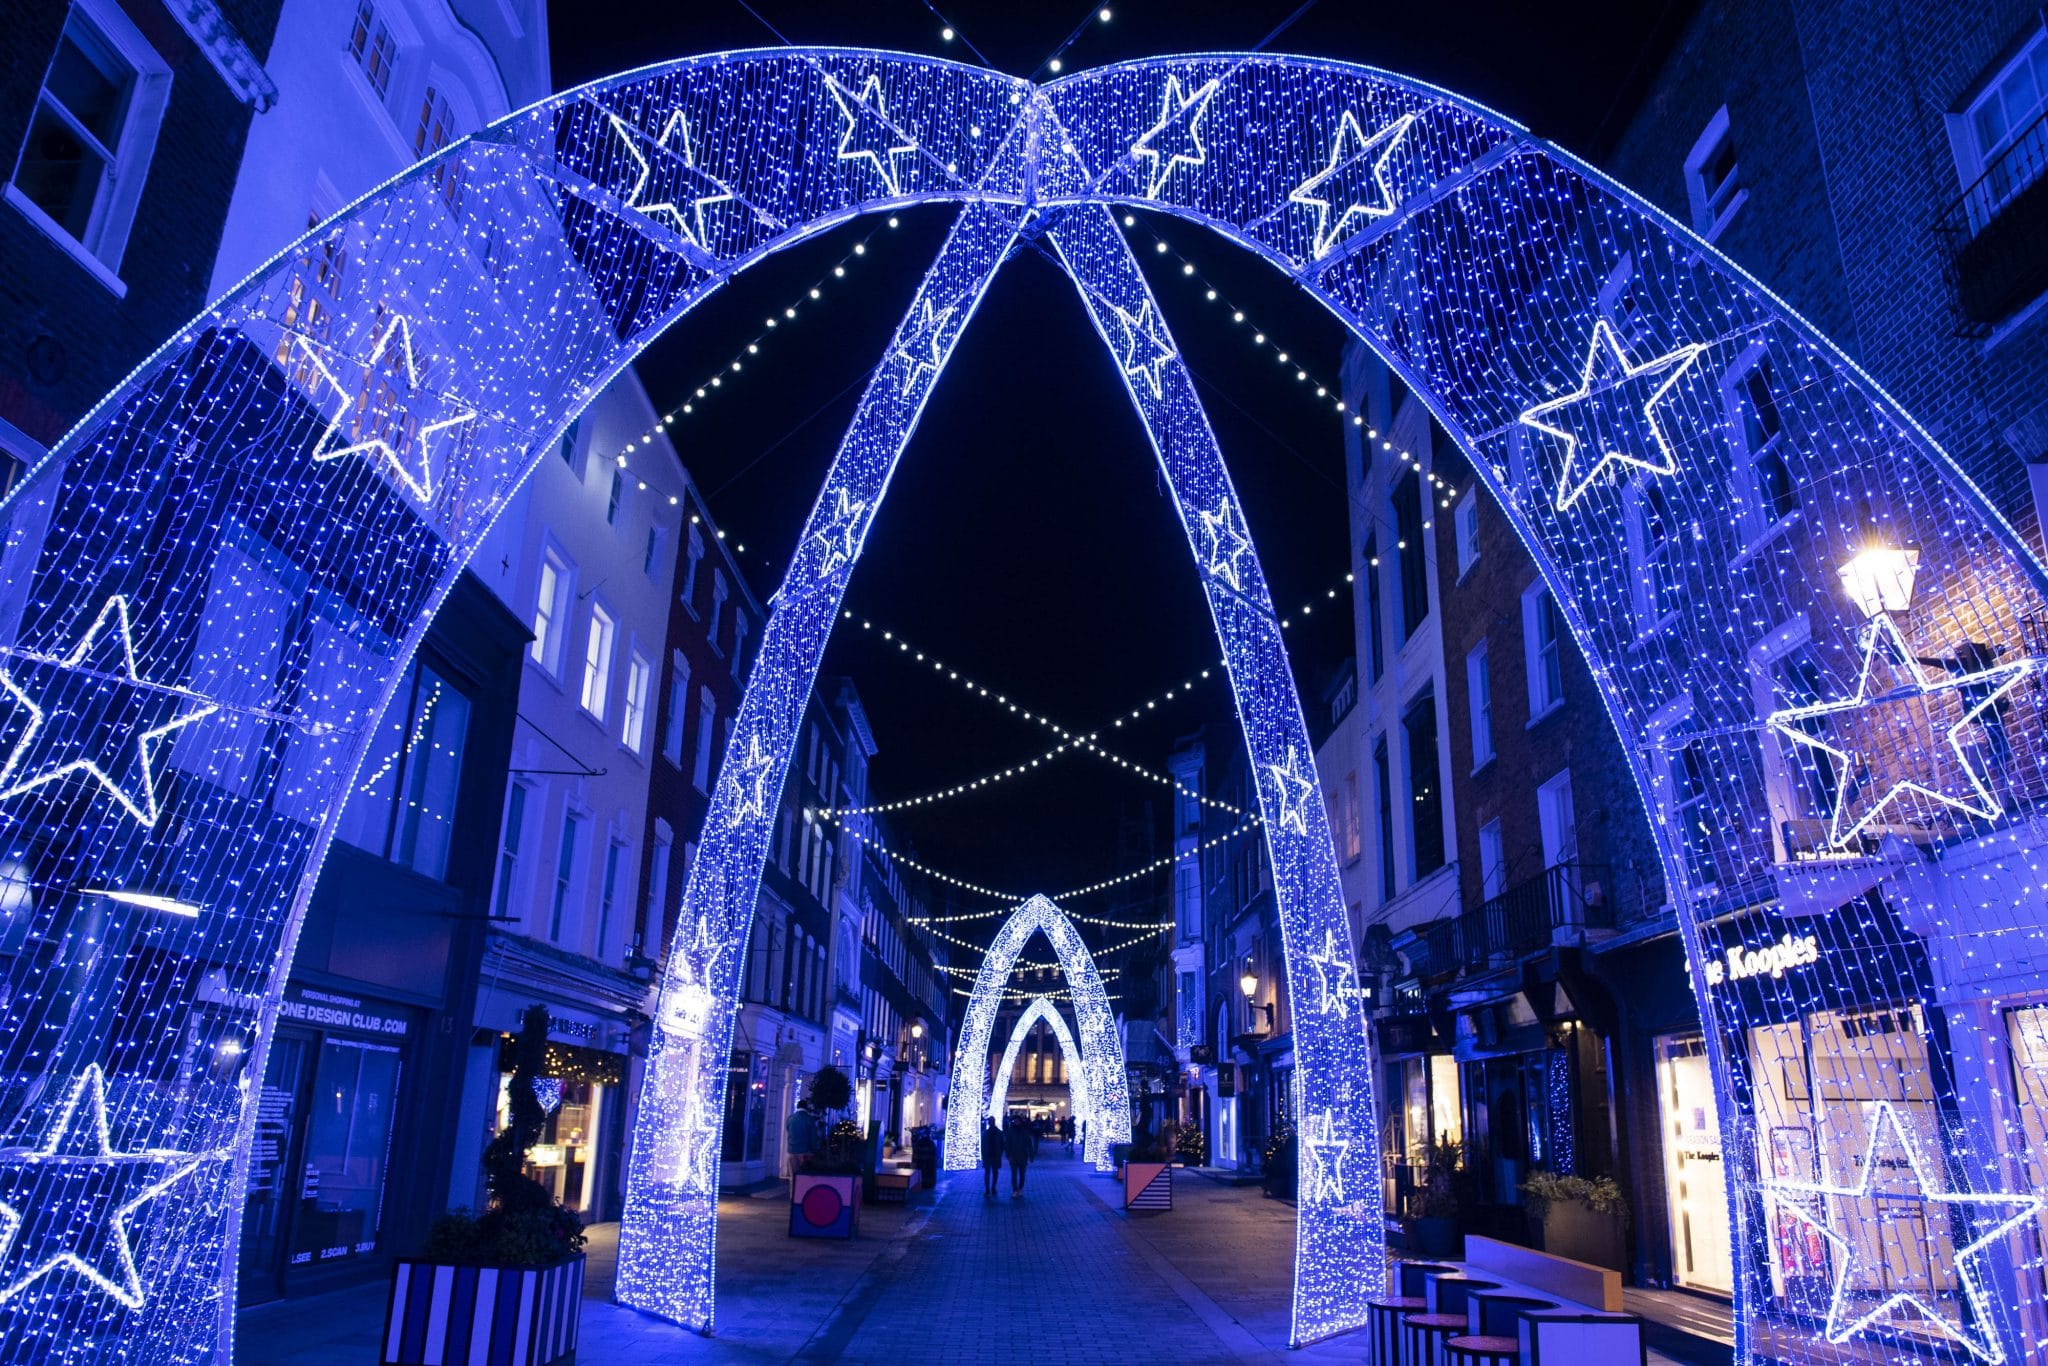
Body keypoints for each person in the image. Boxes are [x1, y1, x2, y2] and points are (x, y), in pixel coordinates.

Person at [785, 1102, 819, 1178]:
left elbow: (788, 1129)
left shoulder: (790, 1118)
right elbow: (813, 1137)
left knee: (793, 1176)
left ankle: (792, 1189)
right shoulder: (809, 1119)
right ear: (806, 1108)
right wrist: (814, 1150)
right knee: (804, 1176)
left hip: (791, 1150)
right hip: (804, 1152)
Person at [1004, 1112, 1034, 1196]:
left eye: (1018, 1121)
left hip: (1023, 1156)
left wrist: (1031, 1155)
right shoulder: (1011, 1132)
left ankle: (1020, 1188)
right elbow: (1007, 1144)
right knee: (1014, 1174)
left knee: (1022, 1175)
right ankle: (1015, 1190)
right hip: (1013, 1156)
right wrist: (1008, 1155)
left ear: (1020, 1122)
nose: (1017, 1122)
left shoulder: (1024, 1132)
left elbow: (1029, 1144)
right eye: (1015, 1121)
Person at [980, 1117, 1003, 1199]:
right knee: (993, 1172)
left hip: (990, 1155)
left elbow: (983, 1146)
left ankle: (989, 1189)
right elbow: (1002, 1145)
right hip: (993, 1155)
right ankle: (991, 1188)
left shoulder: (986, 1133)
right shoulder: (998, 1133)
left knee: (989, 1173)